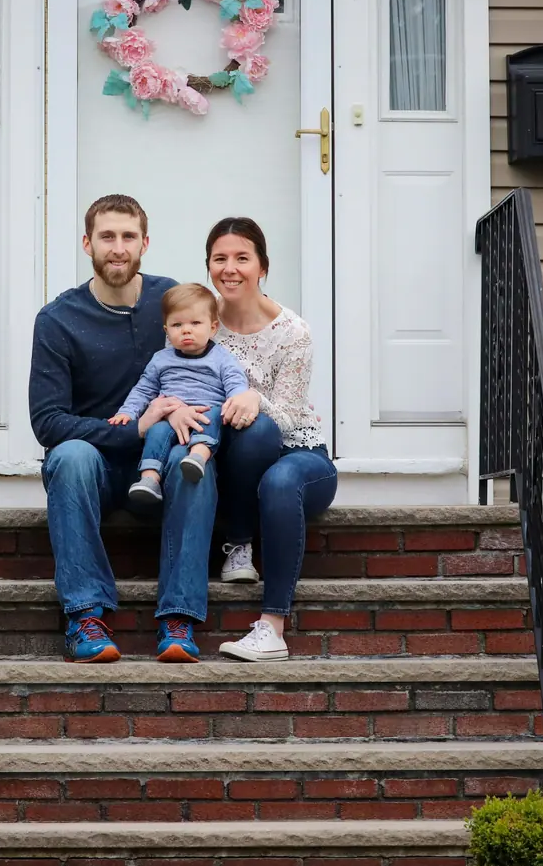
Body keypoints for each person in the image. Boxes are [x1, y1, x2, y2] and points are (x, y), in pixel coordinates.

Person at [29, 194, 219, 664]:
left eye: (128, 236)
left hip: (163, 460)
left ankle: (179, 622)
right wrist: (133, 429)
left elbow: (209, 368)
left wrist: (178, 409)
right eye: (107, 236)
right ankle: (86, 617)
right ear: (87, 243)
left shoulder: (170, 301)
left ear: (145, 243)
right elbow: (47, 421)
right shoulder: (58, 320)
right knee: (69, 456)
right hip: (94, 468)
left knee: (190, 460)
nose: (118, 247)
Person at [206, 217, 339, 661]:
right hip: (235, 462)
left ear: (262, 266)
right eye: (220, 258)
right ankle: (238, 545)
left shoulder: (293, 332)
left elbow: (286, 416)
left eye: (242, 258)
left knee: (277, 474)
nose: (230, 268)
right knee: (249, 432)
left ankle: (272, 628)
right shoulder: (203, 326)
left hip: (301, 456)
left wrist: (251, 399)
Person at [110, 283, 249, 506]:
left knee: (213, 415)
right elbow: (144, 389)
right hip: (170, 416)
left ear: (213, 328)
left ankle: (198, 457)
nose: (186, 330)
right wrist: (127, 412)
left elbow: (235, 383)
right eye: (177, 324)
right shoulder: (161, 359)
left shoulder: (222, 358)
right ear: (166, 330)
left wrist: (239, 400)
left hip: (206, 411)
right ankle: (149, 479)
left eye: (195, 323)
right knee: (156, 431)